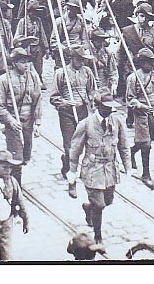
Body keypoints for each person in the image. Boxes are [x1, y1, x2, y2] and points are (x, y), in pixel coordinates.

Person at [68, 89, 131, 244]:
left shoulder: (116, 122)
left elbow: (123, 145)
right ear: (98, 106)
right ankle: (97, 236)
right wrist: (72, 171)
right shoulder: (86, 124)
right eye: (106, 107)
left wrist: (127, 165)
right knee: (100, 205)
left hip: (110, 170)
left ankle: (88, 208)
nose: (109, 110)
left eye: (111, 107)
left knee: (108, 201)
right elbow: (75, 149)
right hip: (92, 170)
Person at [50, 44, 97, 197]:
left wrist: (91, 99)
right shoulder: (61, 73)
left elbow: (91, 91)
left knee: (83, 144)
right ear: (72, 58)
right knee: (71, 147)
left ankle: (67, 161)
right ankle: (72, 181)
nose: (82, 63)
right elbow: (53, 97)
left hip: (83, 111)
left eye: (83, 60)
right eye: (79, 59)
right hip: (67, 113)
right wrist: (63, 103)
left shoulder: (87, 72)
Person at [0, 48, 42, 183]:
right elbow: (0, 106)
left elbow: (38, 100)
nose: (26, 65)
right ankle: (16, 188)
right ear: (14, 63)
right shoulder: (5, 80)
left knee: (26, 155)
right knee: (16, 159)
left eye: (27, 62)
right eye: (22, 62)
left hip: (28, 122)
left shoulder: (33, 77)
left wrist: (38, 123)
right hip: (13, 123)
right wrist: (10, 120)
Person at [125, 47, 154, 189]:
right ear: (141, 63)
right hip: (140, 112)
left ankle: (132, 151)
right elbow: (130, 99)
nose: (152, 65)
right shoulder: (133, 78)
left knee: (145, 141)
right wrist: (140, 106)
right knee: (147, 144)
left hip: (151, 112)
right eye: (148, 62)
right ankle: (146, 174)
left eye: (153, 62)